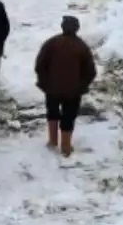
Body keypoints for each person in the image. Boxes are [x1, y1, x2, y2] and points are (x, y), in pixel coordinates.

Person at [34, 15, 96, 159]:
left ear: (62, 27)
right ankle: (66, 146)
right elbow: (91, 71)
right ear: (77, 28)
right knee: (69, 116)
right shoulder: (82, 47)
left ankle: (53, 141)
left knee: (52, 112)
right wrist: (82, 86)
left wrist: (44, 83)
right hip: (73, 92)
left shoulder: (51, 43)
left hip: (52, 89)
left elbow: (40, 65)